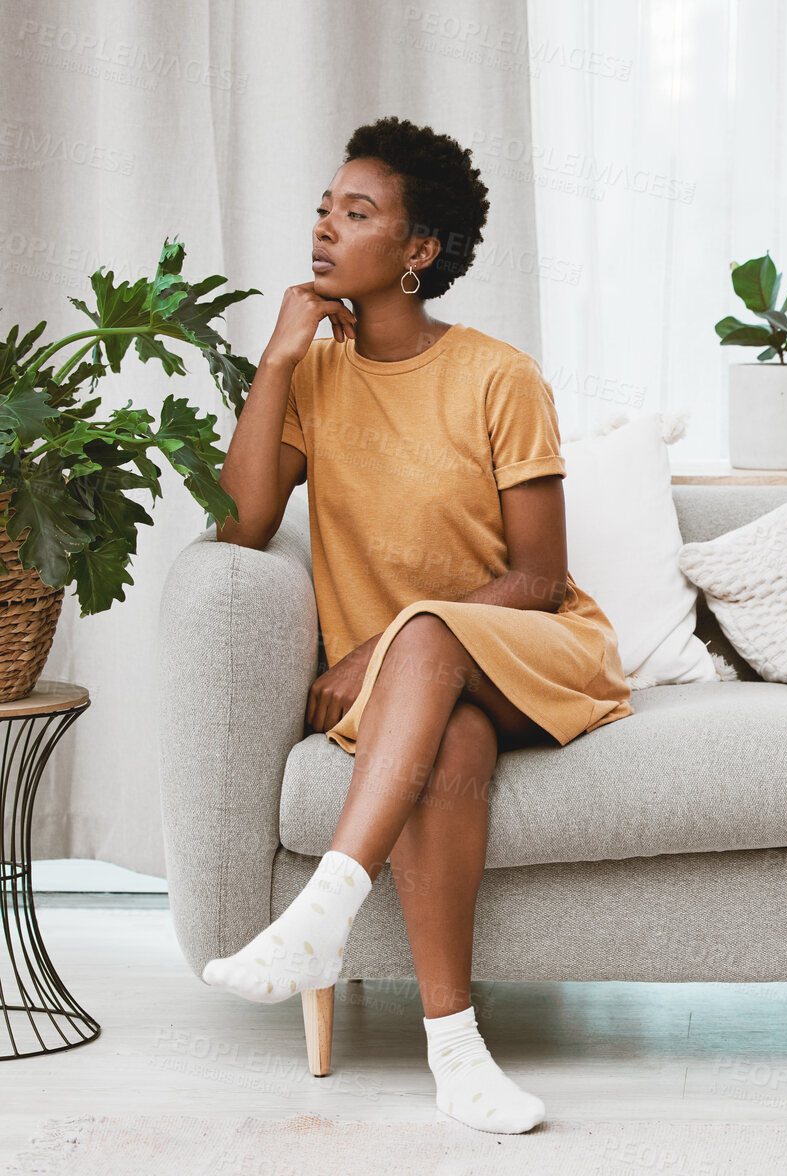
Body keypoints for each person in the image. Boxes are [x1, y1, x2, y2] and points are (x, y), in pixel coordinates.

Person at [202, 115, 635, 1135]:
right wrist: (273, 362)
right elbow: (241, 524)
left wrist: (379, 647)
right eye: (323, 208)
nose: (324, 228)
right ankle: (456, 1046)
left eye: (357, 213)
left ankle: (320, 916)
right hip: (426, 691)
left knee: (430, 642)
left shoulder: (498, 375)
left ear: (418, 251)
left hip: (533, 650)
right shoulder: (311, 375)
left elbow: (538, 576)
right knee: (454, 741)